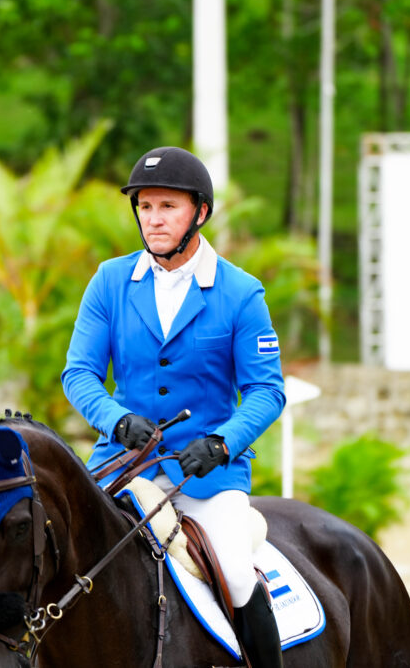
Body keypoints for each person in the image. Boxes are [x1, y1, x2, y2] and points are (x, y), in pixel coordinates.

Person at [62, 146, 286, 667]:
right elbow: (79, 373)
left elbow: (266, 391)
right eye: (145, 207)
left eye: (168, 207)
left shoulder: (241, 293)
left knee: (235, 573)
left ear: (200, 212)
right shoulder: (110, 282)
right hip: (121, 464)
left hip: (207, 474)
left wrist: (222, 444)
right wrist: (117, 420)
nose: (154, 219)